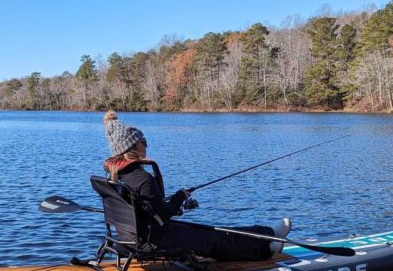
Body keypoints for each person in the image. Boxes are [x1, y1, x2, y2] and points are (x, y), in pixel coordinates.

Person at [101, 110, 291, 262]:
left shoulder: (116, 175)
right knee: (214, 238)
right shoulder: (143, 178)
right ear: (133, 147)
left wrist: (170, 202)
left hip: (131, 238)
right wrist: (180, 197)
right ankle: (267, 245)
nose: (146, 145)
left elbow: (146, 208)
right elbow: (163, 214)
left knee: (206, 232)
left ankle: (268, 236)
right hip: (154, 240)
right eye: (143, 141)